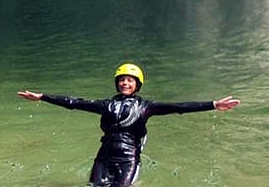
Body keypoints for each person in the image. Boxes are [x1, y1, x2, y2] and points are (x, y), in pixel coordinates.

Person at [17, 63, 240, 187]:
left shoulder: (147, 107)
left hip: (128, 158)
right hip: (104, 156)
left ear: (137, 85)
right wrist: (42, 97)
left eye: (130, 80)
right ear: (117, 83)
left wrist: (213, 104)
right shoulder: (106, 105)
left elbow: (179, 107)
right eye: (122, 80)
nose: (125, 82)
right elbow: (74, 103)